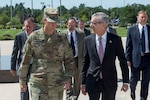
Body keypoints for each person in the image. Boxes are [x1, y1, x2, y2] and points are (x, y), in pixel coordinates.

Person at [19, 7, 75, 100]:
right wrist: (22, 81)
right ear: (44, 20)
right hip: (38, 84)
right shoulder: (34, 37)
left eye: (55, 22)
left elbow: (69, 60)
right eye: (51, 22)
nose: (54, 25)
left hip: (56, 84)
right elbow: (25, 61)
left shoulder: (62, 38)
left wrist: (68, 77)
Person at [81, 12, 129, 100]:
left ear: (103, 24)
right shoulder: (88, 40)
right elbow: (85, 62)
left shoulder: (115, 40)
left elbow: (123, 61)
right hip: (93, 80)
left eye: (94, 23)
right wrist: (83, 82)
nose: (91, 25)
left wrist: (125, 81)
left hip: (109, 80)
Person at [125, 10, 150, 100]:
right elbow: (128, 45)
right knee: (134, 79)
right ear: (138, 18)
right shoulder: (132, 30)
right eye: (142, 17)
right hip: (136, 58)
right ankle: (132, 91)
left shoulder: (149, 29)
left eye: (145, 17)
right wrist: (127, 59)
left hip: (147, 58)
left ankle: (143, 98)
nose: (143, 19)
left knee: (146, 81)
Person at [10, 17, 35, 100]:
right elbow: (15, 52)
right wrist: (13, 67)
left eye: (29, 26)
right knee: (23, 88)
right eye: (26, 26)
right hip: (23, 66)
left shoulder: (37, 36)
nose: (27, 28)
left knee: (35, 88)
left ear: (33, 26)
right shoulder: (19, 36)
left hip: (35, 66)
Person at [62, 18, 85, 100]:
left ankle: (75, 96)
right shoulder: (62, 35)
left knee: (77, 80)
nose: (71, 27)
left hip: (77, 60)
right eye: (69, 25)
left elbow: (84, 48)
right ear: (66, 25)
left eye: (73, 25)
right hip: (66, 61)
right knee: (67, 79)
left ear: (75, 25)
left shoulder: (81, 34)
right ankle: (69, 96)